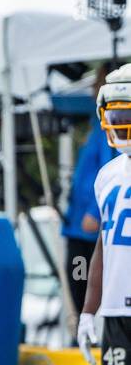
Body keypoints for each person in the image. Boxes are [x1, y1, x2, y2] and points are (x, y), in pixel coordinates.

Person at [77, 63, 131, 365]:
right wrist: (89, 310)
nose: (122, 121)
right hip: (118, 306)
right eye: (117, 111)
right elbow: (102, 244)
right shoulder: (108, 174)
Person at [64, 64, 119, 318]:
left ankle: (93, 327)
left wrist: (95, 213)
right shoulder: (97, 123)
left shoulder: (110, 127)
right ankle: (86, 326)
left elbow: (113, 171)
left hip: (89, 229)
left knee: (87, 282)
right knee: (77, 279)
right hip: (77, 226)